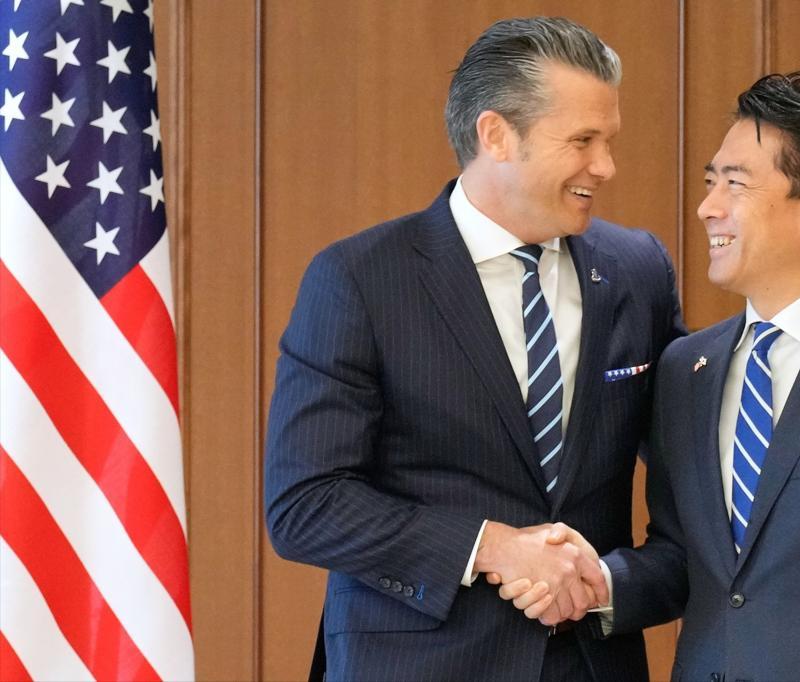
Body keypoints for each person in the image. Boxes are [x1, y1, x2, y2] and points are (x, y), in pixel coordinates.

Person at [505, 72, 800, 681]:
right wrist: (600, 581)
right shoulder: (687, 369)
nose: (708, 207)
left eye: (735, 184)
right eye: (711, 181)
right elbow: (686, 559)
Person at [263, 16, 684, 682]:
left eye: (608, 141)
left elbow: (696, 488)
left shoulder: (638, 270)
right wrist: (492, 547)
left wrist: (609, 583)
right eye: (582, 141)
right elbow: (305, 506)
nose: (605, 166)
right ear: (496, 135)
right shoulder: (360, 279)